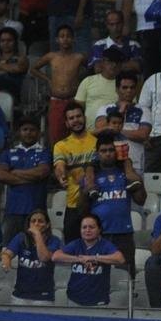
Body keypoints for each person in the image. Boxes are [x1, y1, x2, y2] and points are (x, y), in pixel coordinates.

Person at [86, 133, 146, 272]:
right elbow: (81, 208)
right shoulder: (92, 175)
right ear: (97, 153)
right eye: (103, 151)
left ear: (116, 152)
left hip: (123, 233)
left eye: (111, 150)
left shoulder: (126, 173)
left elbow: (141, 200)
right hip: (99, 235)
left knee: (126, 276)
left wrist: (138, 182)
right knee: (98, 275)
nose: (108, 154)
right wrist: (86, 191)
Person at [0, 119, 51, 244]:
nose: (28, 133)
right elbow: (0, 175)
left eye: (32, 130)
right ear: (19, 132)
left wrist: (15, 172)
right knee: (7, 250)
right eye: (25, 129)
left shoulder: (44, 152)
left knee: (37, 250)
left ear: (38, 133)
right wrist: (32, 179)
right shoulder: (8, 153)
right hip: (13, 211)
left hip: (37, 212)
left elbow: (42, 172)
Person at [53, 213, 126, 307]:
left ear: (99, 229)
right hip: (74, 299)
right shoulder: (76, 244)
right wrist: (79, 259)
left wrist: (93, 258)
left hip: (98, 301)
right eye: (84, 227)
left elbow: (120, 259)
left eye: (91, 227)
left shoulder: (105, 245)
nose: (87, 230)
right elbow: (55, 256)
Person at [30, 25, 85, 146]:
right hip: (56, 101)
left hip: (73, 101)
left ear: (73, 39)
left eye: (68, 36)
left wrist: (82, 85)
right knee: (55, 134)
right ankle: (56, 163)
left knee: (74, 134)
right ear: (57, 39)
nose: (65, 39)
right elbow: (33, 69)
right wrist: (48, 80)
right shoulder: (51, 56)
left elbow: (93, 70)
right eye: (62, 36)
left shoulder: (79, 57)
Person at [51, 102, 97, 243]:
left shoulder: (98, 141)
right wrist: (61, 176)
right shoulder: (61, 145)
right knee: (72, 250)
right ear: (66, 123)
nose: (76, 120)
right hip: (74, 205)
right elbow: (59, 166)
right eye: (71, 118)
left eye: (78, 116)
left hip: (97, 203)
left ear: (84, 117)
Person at [0, 209, 61, 305]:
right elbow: (7, 254)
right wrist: (6, 260)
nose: (36, 224)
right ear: (29, 224)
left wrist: (37, 235)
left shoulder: (54, 240)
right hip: (20, 295)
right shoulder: (21, 237)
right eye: (33, 221)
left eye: (40, 221)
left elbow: (44, 257)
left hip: (44, 297)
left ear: (47, 225)